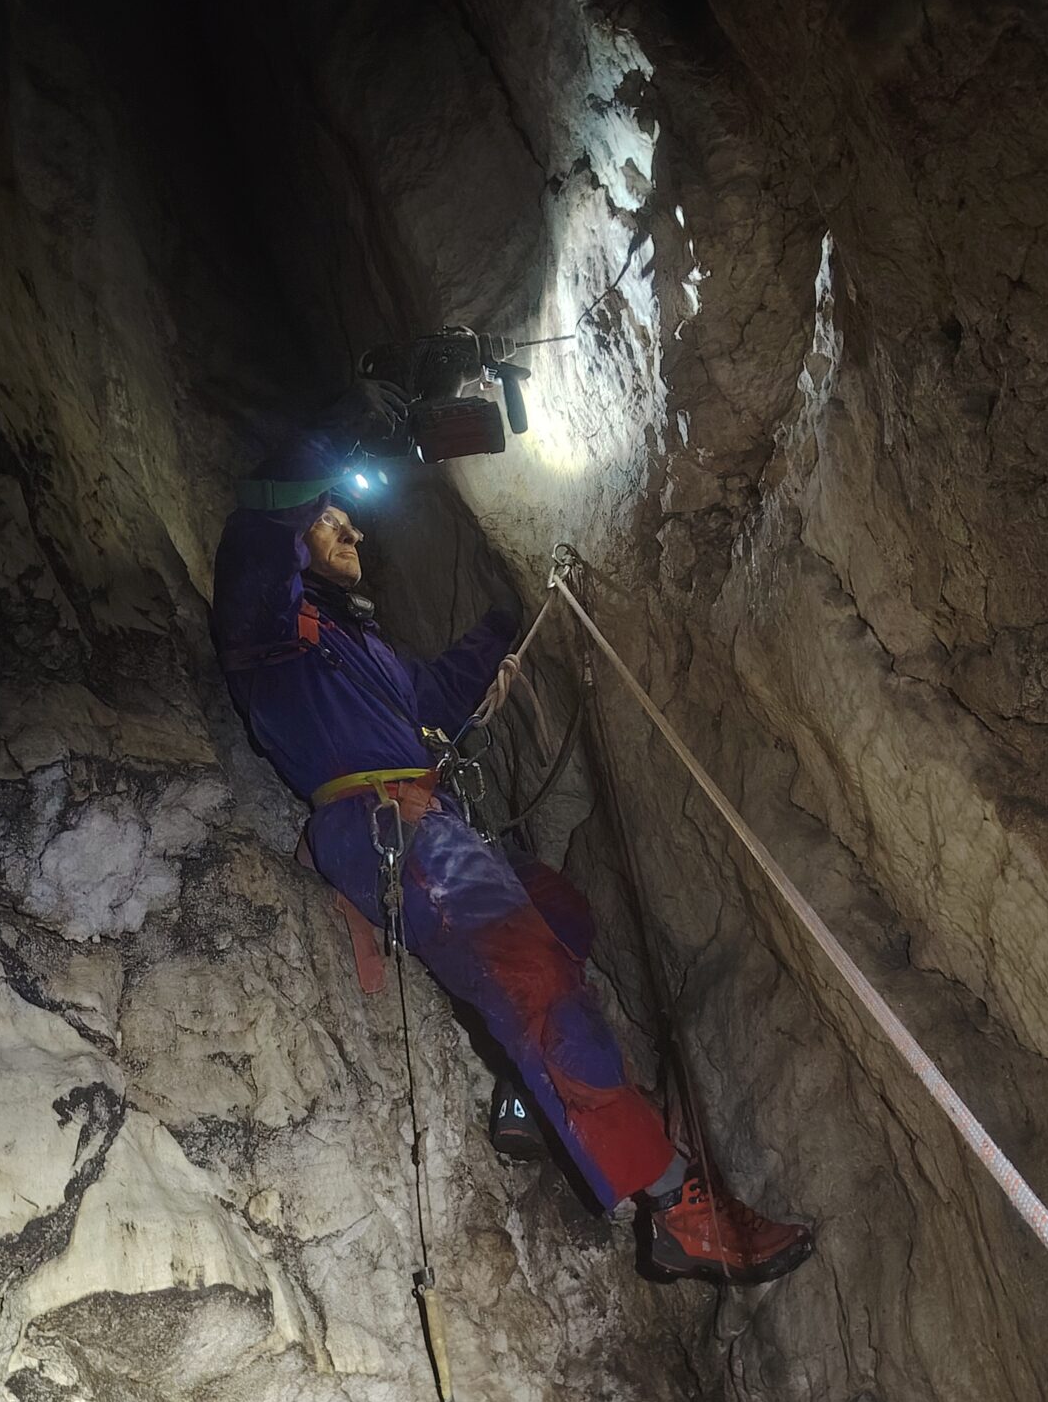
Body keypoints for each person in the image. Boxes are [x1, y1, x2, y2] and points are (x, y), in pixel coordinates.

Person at [212, 405, 814, 1286]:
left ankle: (530, 1098)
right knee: (535, 980)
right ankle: (678, 1204)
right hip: (385, 824)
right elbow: (264, 518)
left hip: (437, 823)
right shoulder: (267, 627)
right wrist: (344, 436)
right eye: (334, 520)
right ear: (298, 535)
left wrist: (509, 617)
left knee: (562, 913)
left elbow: (438, 693)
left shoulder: (359, 646)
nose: (355, 532)